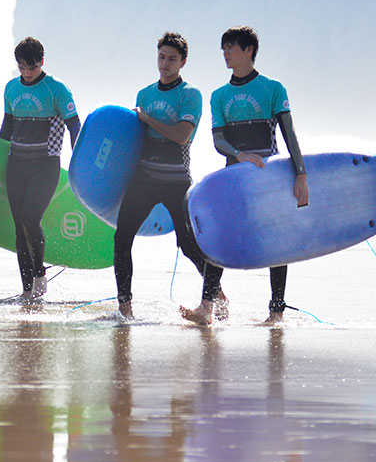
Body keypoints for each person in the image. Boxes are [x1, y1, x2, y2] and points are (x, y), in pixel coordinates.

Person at [180, 26, 308, 326]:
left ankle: (276, 312)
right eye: (223, 48)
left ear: (249, 50)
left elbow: (289, 135)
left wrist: (300, 173)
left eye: (231, 47)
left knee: (276, 242)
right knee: (218, 237)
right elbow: (218, 140)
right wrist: (239, 155)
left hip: (269, 176)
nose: (225, 53)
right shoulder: (219, 95)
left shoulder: (273, 89)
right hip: (233, 177)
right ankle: (207, 308)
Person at [114, 32, 225, 319]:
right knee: (122, 237)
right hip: (144, 180)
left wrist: (149, 119)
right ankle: (125, 308)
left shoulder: (190, 95)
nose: (165, 63)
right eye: (161, 57)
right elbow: (133, 140)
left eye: (172, 59)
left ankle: (216, 294)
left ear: (183, 62)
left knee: (188, 245)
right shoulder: (145, 94)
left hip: (176, 181)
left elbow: (181, 136)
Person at [0, 37, 80, 301]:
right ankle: (26, 291)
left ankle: (39, 274)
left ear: (42, 62)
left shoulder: (57, 89)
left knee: (31, 218)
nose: (27, 72)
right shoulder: (11, 89)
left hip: (45, 164)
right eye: (22, 67)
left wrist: (79, 162)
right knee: (18, 227)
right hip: (16, 164)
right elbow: (6, 128)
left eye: (31, 67)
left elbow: (74, 126)